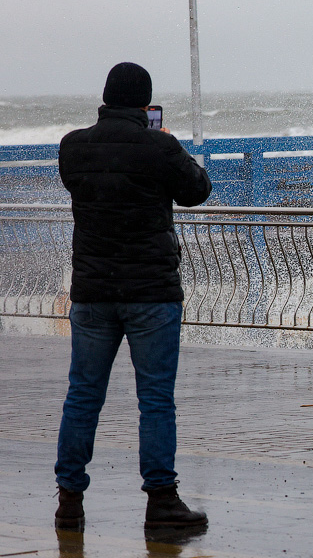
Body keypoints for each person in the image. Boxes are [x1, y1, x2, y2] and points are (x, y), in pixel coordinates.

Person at [54, 62, 212, 530]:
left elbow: (86, 187)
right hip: (151, 295)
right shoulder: (159, 146)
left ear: (106, 97)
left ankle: (69, 501)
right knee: (156, 400)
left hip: (93, 292)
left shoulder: (73, 147)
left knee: (83, 396)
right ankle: (161, 502)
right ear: (146, 104)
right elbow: (197, 190)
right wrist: (164, 143)